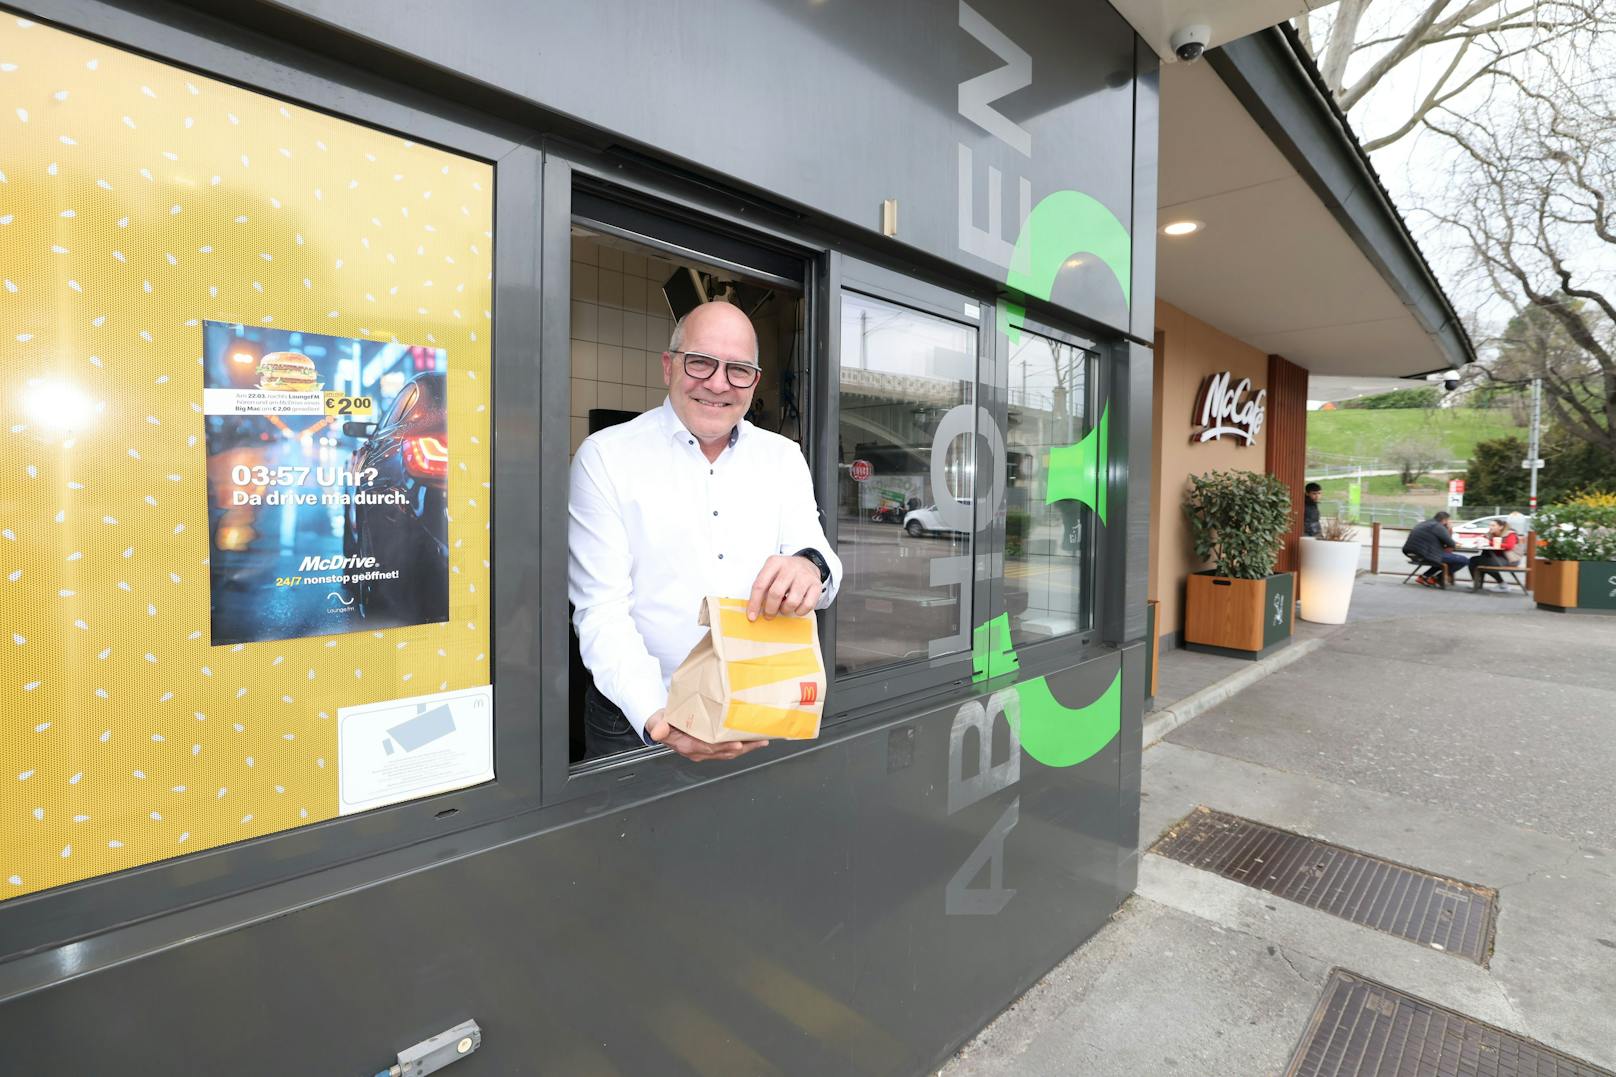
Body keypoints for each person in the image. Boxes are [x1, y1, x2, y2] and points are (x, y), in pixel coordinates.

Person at [568, 301, 842, 763]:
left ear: (754, 382)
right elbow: (600, 610)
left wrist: (808, 566)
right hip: (638, 717)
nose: (718, 384)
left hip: (757, 706)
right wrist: (660, 716)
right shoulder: (605, 458)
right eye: (700, 362)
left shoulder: (783, 458)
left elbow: (821, 563)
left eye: (738, 370)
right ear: (668, 366)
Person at [1402, 511, 1468, 588]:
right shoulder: (1438, 526)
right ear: (1444, 520)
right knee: (1463, 560)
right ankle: (1437, 578)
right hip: (1425, 554)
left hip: (1412, 553)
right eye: (1448, 520)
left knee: (1448, 558)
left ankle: (1424, 577)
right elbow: (1451, 544)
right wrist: (1448, 528)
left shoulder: (1424, 523)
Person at [1468, 518, 1521, 592]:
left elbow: (1509, 546)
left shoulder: (1510, 534)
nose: (1490, 527)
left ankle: (1502, 584)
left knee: (1478, 561)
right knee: (1476, 560)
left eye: (1493, 525)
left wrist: (1489, 543)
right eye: (1489, 525)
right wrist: (1479, 540)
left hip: (1510, 560)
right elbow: (1483, 540)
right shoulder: (1490, 534)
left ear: (1501, 527)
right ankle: (1478, 582)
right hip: (1496, 558)